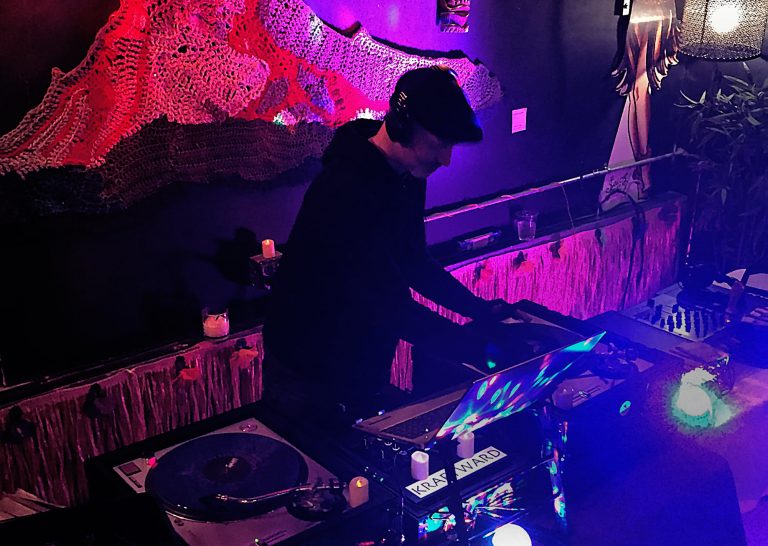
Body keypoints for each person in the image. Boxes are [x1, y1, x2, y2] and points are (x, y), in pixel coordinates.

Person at [263, 66, 511, 416]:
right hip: (307, 366)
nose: (446, 159)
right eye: (440, 143)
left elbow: (414, 261)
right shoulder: (344, 189)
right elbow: (385, 302)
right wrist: (477, 348)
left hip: (360, 355)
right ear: (402, 125)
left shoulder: (407, 173)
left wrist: (480, 310)